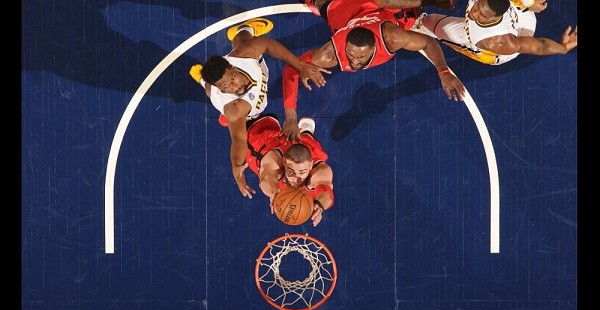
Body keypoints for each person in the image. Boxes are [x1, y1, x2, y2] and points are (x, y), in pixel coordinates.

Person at [281, 0, 467, 140]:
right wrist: (290, 116)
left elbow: (427, 42)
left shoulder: (392, 38)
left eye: (361, 57)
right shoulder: (329, 54)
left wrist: (444, 72)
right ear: (345, 45)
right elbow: (291, 69)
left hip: (382, 9)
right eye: (351, 55)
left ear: (374, 48)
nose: (354, 62)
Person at [188, 18, 331, 195]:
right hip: (245, 113)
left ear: (232, 67)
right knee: (211, 93)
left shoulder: (244, 55)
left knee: (242, 41)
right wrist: (237, 168)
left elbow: (268, 44)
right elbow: (239, 140)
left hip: (250, 72)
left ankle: (243, 28)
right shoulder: (234, 107)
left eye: (232, 80)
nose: (233, 87)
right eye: (225, 87)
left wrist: (300, 65)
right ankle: (203, 80)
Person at [412, 0, 578, 65]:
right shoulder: (484, 8)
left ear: (496, 17)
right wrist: (530, 2)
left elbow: (539, 47)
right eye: (477, 7)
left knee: (430, 22)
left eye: (482, 15)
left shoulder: (495, 41)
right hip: (520, 13)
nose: (473, 14)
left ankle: (417, 24)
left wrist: (563, 48)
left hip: (506, 41)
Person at [240, 115, 334, 227]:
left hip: (307, 146)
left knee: (308, 140)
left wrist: (320, 205)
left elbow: (326, 193)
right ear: (284, 162)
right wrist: (273, 192)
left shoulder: (321, 171)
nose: (297, 178)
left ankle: (306, 131)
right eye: (291, 171)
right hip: (266, 140)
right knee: (244, 128)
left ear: (310, 166)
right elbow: (266, 179)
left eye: (302, 172)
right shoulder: (273, 160)